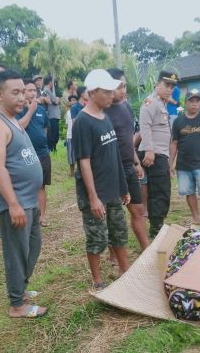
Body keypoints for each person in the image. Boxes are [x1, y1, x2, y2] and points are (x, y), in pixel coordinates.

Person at [0, 69, 47, 318]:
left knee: (33, 246)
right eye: (15, 92)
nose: (22, 97)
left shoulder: (11, 120)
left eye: (24, 92)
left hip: (28, 199)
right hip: (16, 202)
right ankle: (17, 305)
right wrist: (13, 204)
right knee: (17, 253)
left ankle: (20, 288)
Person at [72, 69, 130, 291]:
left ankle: (124, 270)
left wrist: (123, 187)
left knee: (119, 231)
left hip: (113, 188)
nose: (111, 95)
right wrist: (93, 198)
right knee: (97, 237)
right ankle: (97, 280)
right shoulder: (82, 122)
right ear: (93, 92)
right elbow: (84, 162)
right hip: (95, 192)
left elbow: (114, 155)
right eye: (106, 91)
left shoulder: (105, 117)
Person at [105, 68, 149, 252]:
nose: (123, 90)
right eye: (119, 86)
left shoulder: (126, 107)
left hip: (129, 167)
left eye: (124, 86)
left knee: (137, 210)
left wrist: (136, 162)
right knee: (114, 217)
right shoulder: (102, 112)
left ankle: (147, 249)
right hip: (111, 171)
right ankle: (114, 258)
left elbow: (128, 139)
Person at [169, 89, 200, 223]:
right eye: (191, 101)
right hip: (183, 164)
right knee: (188, 191)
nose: (194, 104)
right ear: (186, 102)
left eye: (197, 101)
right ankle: (196, 217)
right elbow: (174, 143)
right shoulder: (178, 121)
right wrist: (171, 163)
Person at [138, 71, 177, 237]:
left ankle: (157, 224)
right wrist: (149, 150)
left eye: (172, 86)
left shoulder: (162, 103)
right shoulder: (151, 102)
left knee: (160, 189)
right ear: (157, 84)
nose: (169, 89)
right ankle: (156, 228)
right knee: (160, 190)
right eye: (166, 85)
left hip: (160, 154)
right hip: (153, 153)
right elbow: (144, 126)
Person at [16, 78, 51, 227]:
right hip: (25, 154)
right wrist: (30, 111)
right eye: (28, 90)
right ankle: (27, 216)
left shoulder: (42, 110)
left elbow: (45, 128)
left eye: (34, 90)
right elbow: (18, 127)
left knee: (41, 185)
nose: (32, 93)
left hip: (43, 152)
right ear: (23, 93)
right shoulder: (17, 110)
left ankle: (42, 216)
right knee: (27, 186)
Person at [42, 75, 61, 152]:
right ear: (50, 82)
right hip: (51, 115)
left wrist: (57, 99)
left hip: (54, 115)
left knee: (55, 133)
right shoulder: (47, 90)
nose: (54, 83)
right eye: (53, 81)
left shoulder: (49, 90)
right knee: (53, 133)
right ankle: (51, 148)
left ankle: (53, 148)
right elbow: (56, 101)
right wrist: (58, 99)